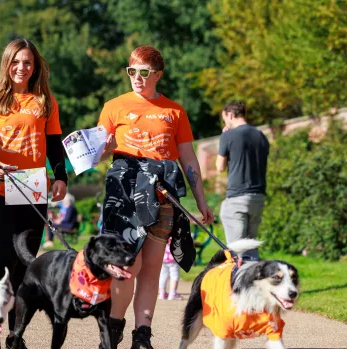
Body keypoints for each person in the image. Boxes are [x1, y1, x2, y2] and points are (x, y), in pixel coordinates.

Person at [97, 45, 214, 349]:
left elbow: (188, 157)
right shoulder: (114, 106)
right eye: (131, 71)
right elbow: (95, 152)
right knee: (125, 267)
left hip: (163, 193)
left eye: (144, 72)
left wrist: (200, 201)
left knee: (151, 268)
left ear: (157, 75)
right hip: (124, 193)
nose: (136, 77)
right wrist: (106, 147)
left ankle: (142, 336)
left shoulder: (174, 111)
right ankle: (114, 327)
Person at [0, 38, 68, 348]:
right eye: (16, 61)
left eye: (27, 62)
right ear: (7, 64)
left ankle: (14, 336)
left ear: (35, 66)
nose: (21, 67)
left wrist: (60, 176)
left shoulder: (45, 101)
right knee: (3, 259)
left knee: (26, 263)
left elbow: (54, 144)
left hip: (32, 186)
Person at [216, 101, 269, 259]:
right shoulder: (261, 136)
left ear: (230, 115)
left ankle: (237, 282)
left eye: (224, 119)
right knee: (251, 246)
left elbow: (220, 166)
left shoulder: (228, 135)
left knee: (236, 249)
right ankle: (252, 281)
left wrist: (225, 136)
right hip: (258, 197)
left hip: (237, 197)